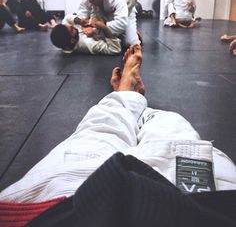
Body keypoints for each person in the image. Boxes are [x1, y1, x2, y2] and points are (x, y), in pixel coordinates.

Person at [0, 45, 236, 226]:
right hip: (208, 202)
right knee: (168, 122)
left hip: (54, 204)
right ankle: (133, 97)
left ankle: (128, 94)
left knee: (102, 126)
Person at [76, 0, 141, 46]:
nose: (90, 1)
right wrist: (84, 25)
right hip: (102, 13)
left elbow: (121, 23)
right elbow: (81, 16)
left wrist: (95, 30)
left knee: (130, 43)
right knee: (93, 38)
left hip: (125, 12)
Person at [50, 13, 122, 55]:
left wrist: (80, 22)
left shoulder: (67, 36)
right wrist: (103, 27)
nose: (71, 26)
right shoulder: (89, 44)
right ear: (72, 40)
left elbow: (67, 18)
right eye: (72, 29)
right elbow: (115, 49)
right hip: (117, 31)